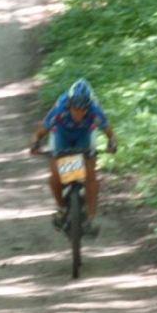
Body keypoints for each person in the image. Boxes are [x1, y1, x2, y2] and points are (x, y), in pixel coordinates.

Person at [30, 78, 118, 237]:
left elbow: (108, 131)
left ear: (88, 107)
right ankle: (62, 208)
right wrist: (35, 143)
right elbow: (42, 129)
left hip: (84, 135)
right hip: (61, 135)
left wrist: (112, 143)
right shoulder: (60, 109)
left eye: (83, 110)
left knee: (91, 175)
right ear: (69, 105)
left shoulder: (95, 110)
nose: (79, 113)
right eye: (75, 109)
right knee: (55, 175)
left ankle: (90, 218)